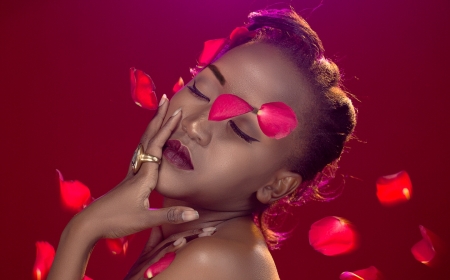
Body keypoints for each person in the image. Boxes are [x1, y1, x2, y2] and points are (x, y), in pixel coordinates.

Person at [48, 8, 356, 280]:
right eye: (200, 92)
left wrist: (82, 231)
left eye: (238, 129)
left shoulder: (213, 263)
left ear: (277, 186)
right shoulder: (211, 248)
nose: (195, 126)